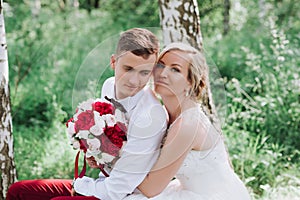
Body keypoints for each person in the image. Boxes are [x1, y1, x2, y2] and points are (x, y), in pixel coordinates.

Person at [6, 28, 168, 200]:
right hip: (103, 181)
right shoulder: (109, 85)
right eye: (128, 69)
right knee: (18, 191)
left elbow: (118, 189)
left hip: (125, 194)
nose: (134, 80)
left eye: (144, 73)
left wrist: (80, 186)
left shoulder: (151, 116)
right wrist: (94, 151)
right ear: (113, 62)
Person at [124, 42, 251, 200]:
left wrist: (110, 157)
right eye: (161, 65)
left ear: (190, 82)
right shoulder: (162, 113)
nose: (163, 73)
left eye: (175, 69)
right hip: (184, 188)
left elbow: (151, 189)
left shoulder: (187, 125)